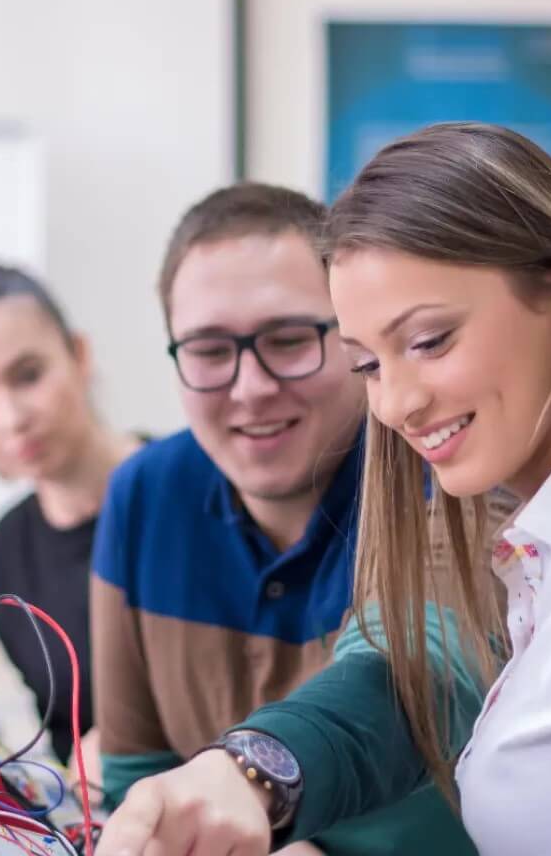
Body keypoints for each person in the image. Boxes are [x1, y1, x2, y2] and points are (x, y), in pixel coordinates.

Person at [93, 123, 551, 856]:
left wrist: (258, 774)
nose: (396, 404)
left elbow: (413, 673)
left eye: (428, 341)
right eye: (370, 364)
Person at [90, 183, 487, 855]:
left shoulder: (442, 464)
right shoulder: (143, 496)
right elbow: (137, 779)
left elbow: (416, 675)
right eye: (210, 351)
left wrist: (255, 782)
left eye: (288, 339)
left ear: (353, 339)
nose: (250, 387)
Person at [0, 263, 141, 770]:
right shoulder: (7, 550)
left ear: (79, 356)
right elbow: (63, 730)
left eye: (28, 376)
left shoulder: (191, 491)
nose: (11, 417)